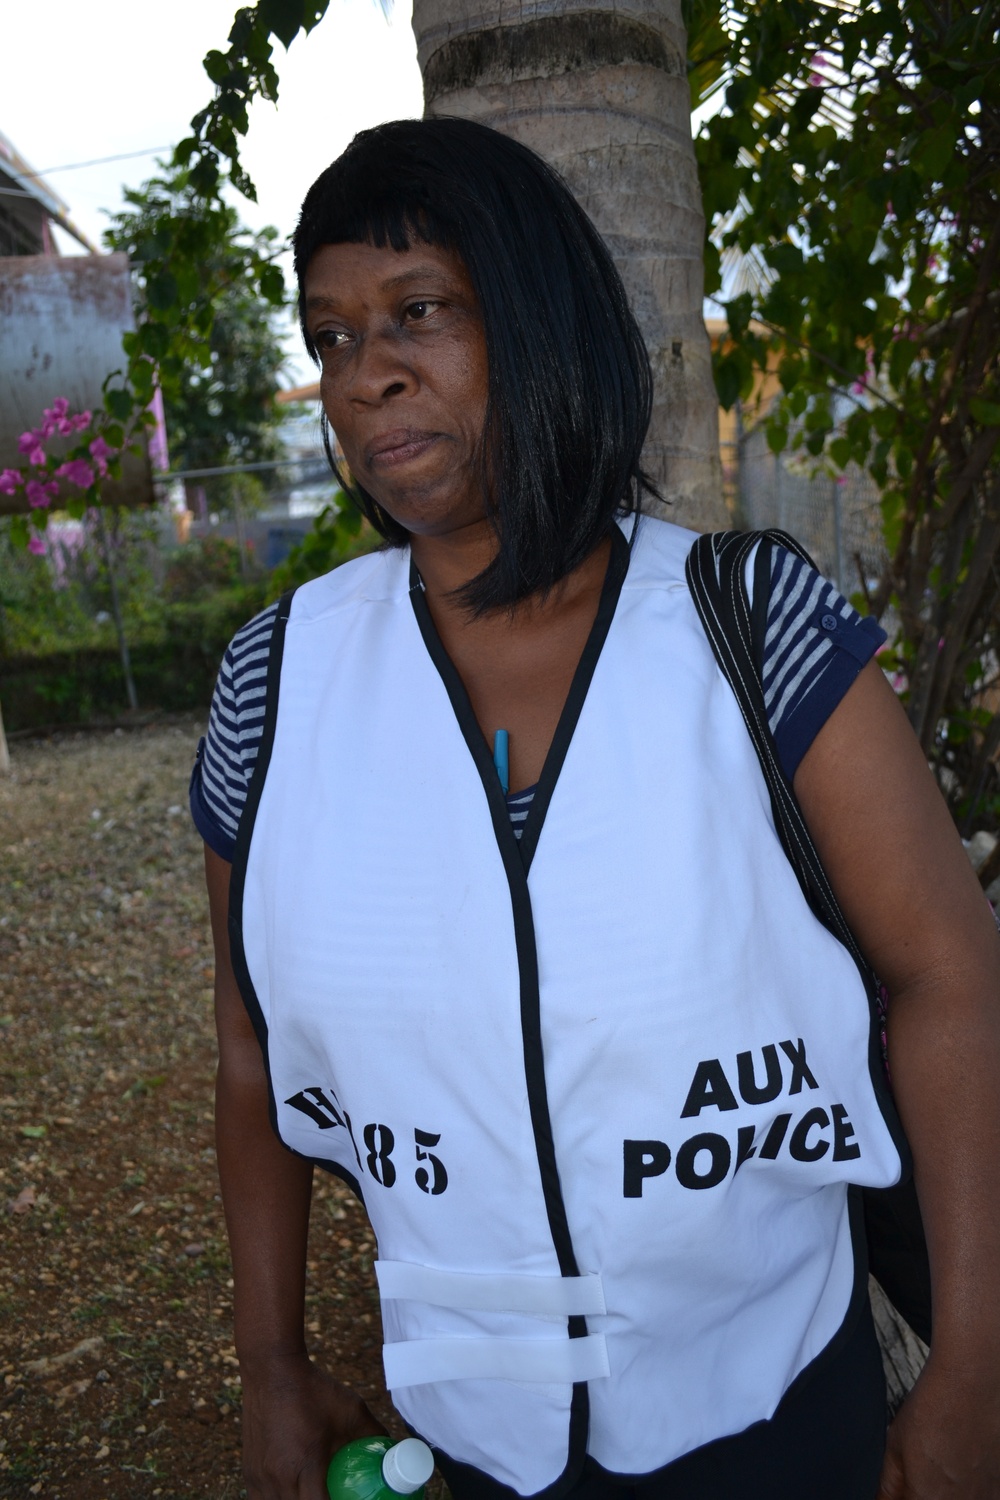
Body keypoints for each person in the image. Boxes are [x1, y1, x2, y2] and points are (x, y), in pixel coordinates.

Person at [190, 118, 1000, 1500]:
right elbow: (251, 1047)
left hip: (775, 1415)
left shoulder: (746, 628)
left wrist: (979, 1367)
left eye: (419, 312)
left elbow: (946, 974)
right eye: (329, 338)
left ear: (540, 320)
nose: (366, 373)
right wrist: (269, 1360)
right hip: (468, 1444)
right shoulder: (281, 683)